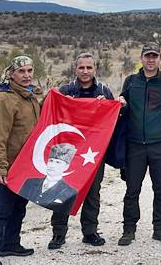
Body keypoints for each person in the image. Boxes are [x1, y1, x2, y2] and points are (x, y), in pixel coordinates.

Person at [0, 55, 42, 265]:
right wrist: (0, 167)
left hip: (26, 165)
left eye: (29, 71)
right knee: (0, 209)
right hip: (10, 165)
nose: (26, 75)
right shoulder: (4, 99)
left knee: (18, 207)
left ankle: (10, 244)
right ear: (11, 74)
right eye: (21, 71)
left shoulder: (30, 96)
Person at [116, 42, 161, 246]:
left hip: (159, 145)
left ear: (160, 59)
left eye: (154, 56)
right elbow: (123, 111)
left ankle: (160, 229)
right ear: (141, 58)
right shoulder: (131, 81)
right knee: (132, 190)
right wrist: (121, 105)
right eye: (147, 56)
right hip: (135, 145)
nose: (151, 60)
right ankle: (128, 230)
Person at [47, 52, 114, 249]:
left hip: (93, 152)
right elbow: (49, 114)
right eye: (81, 67)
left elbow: (115, 117)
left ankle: (90, 232)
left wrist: (111, 105)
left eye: (89, 67)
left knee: (93, 192)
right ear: (75, 69)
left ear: (95, 69)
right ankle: (58, 233)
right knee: (62, 190)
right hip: (67, 150)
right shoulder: (65, 90)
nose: (85, 71)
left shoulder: (103, 91)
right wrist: (62, 102)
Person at [20, 143, 78, 211]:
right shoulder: (30, 182)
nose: (52, 165)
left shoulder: (69, 192)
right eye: (51, 161)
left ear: (66, 166)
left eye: (58, 162)